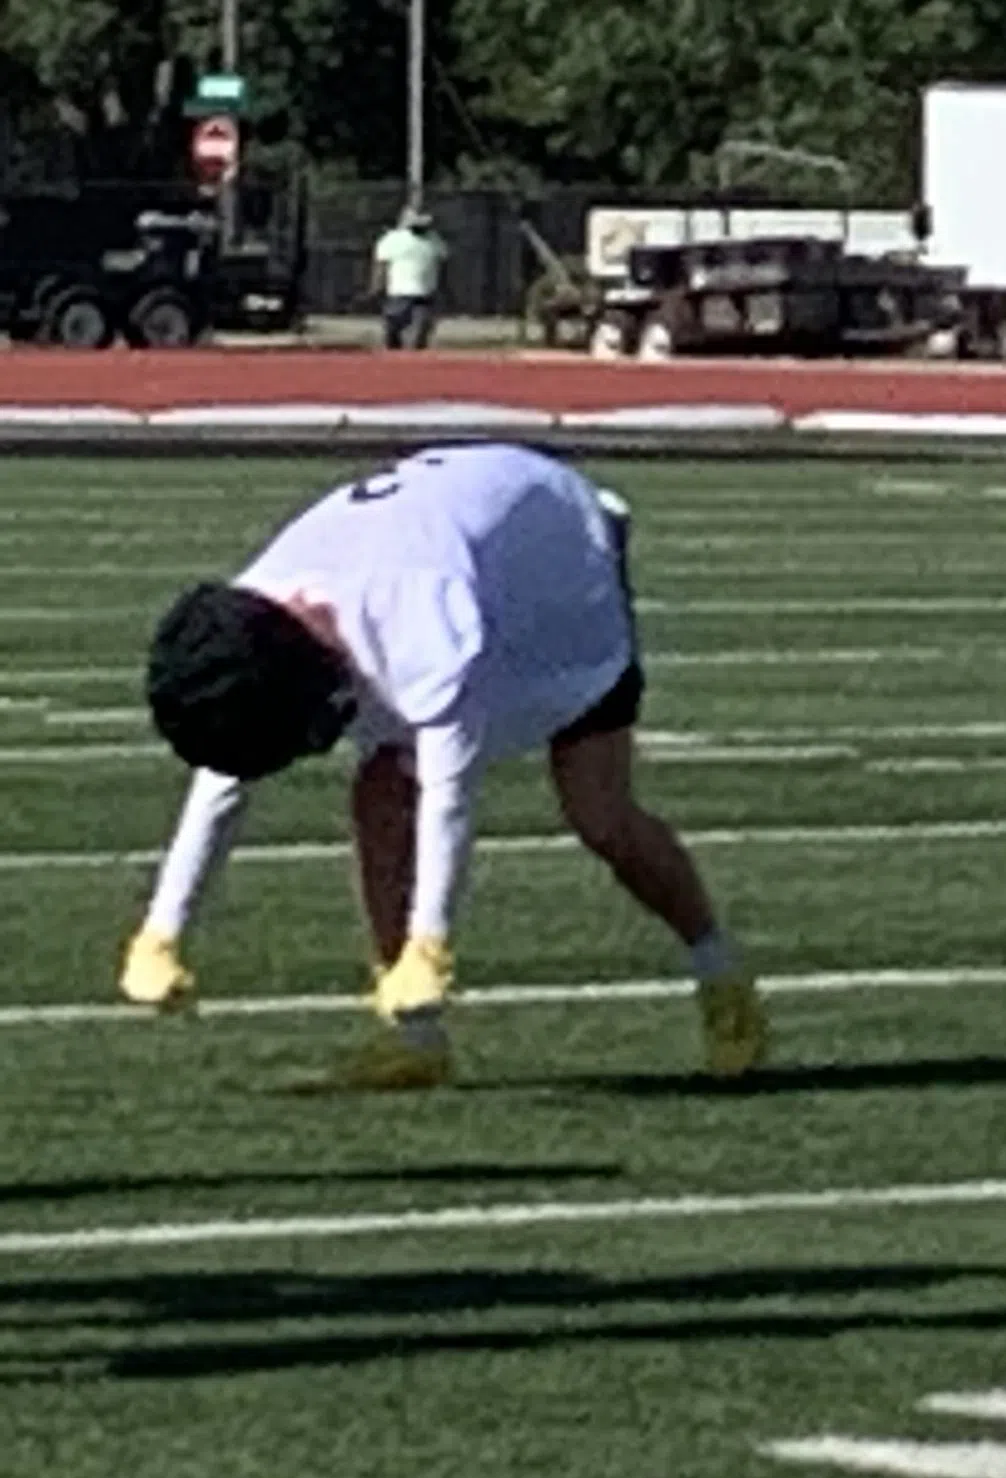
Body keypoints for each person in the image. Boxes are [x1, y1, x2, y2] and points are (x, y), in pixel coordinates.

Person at [120, 441, 767, 1088]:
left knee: (601, 814)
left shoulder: (423, 614)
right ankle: (415, 1040)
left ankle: (719, 971)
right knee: (378, 794)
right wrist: (162, 931)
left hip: (561, 578)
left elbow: (448, 795)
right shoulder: (257, 612)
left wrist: (431, 945)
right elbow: (227, 776)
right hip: (465, 566)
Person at [372, 204, 446, 351]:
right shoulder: (392, 240)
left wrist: (441, 290)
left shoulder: (435, 240)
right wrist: (377, 286)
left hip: (424, 296)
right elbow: (381, 266)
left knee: (417, 339)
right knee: (392, 337)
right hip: (397, 295)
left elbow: (441, 265)